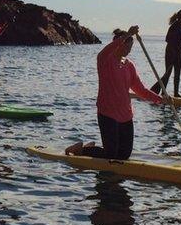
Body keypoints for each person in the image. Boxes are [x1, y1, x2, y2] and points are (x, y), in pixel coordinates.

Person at [65, 26, 165, 160]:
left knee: (124, 155)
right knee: (110, 155)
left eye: (130, 46)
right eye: (126, 45)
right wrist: (127, 34)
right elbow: (104, 52)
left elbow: (141, 90)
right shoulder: (105, 60)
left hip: (125, 115)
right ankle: (81, 150)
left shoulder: (129, 66)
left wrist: (160, 99)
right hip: (107, 114)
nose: (128, 49)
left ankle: (90, 149)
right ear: (118, 44)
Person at [150, 9, 181, 97]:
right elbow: (167, 39)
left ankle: (176, 94)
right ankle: (163, 92)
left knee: (177, 73)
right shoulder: (173, 26)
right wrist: (175, 47)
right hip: (171, 52)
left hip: (179, 53)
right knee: (168, 73)